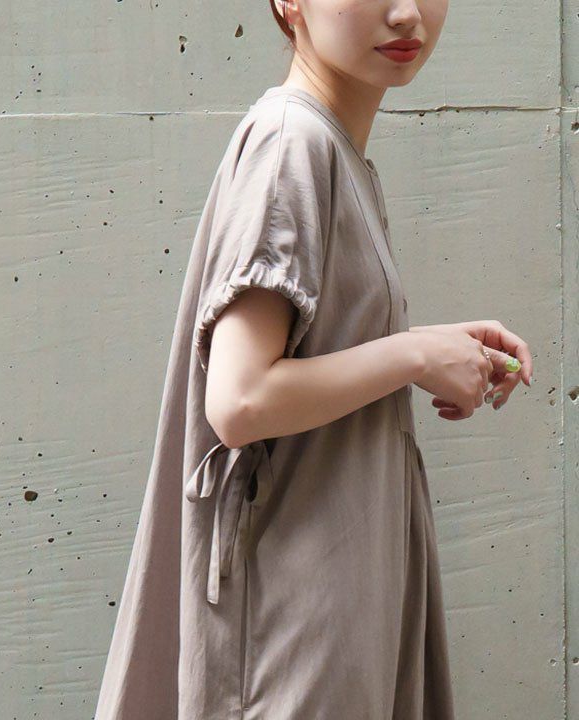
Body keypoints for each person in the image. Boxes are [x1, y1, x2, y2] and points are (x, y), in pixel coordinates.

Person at [94, 1, 534, 718]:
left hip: (331, 617)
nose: (406, 13)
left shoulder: (332, 148)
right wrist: (414, 352)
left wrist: (436, 349)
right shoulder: (291, 143)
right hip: (291, 634)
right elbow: (240, 400)